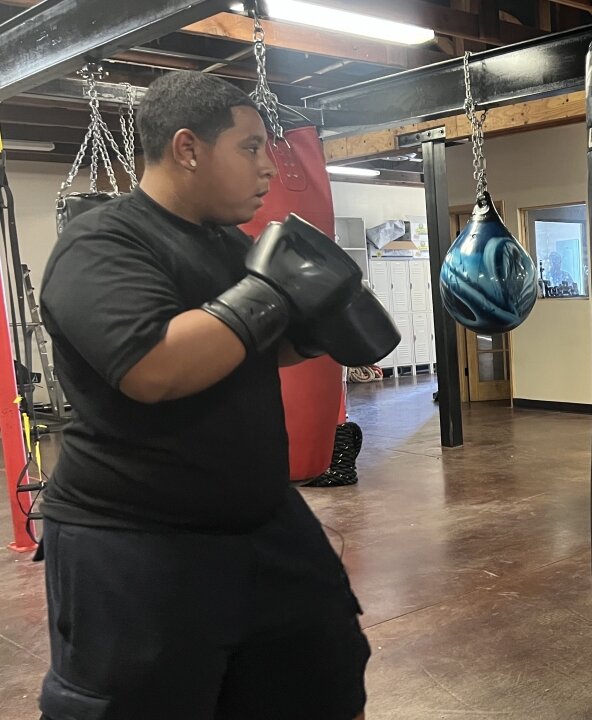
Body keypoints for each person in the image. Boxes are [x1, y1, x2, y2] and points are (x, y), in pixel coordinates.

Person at [36, 71, 370, 720]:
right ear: (188, 148)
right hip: (135, 540)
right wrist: (274, 291)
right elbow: (152, 366)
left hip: (261, 520)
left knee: (327, 679)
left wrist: (320, 328)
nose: (269, 169)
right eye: (250, 148)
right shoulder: (102, 243)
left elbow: (242, 344)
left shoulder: (231, 244)